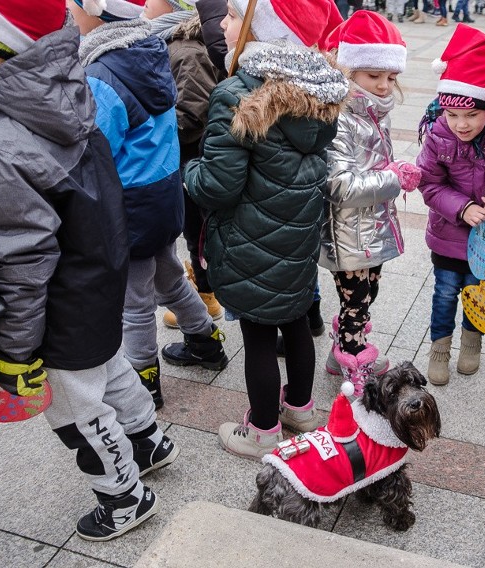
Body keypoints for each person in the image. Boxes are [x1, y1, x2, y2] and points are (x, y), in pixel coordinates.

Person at [0, 0, 177, 541]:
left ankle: (125, 497)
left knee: (76, 410)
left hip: (56, 307)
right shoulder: (68, 86)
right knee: (110, 368)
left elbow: (19, 255)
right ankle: (149, 440)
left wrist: (15, 352)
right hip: (96, 272)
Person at [184, 0, 348, 459]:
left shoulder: (238, 92)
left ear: (264, 32)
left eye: (235, 15)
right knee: (295, 319)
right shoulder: (318, 88)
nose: (222, 21)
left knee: (257, 333)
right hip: (296, 236)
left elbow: (218, 185)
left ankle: (262, 431)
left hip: (249, 237)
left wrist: (190, 169)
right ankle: (300, 408)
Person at [67, 0, 228, 411]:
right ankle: (206, 341)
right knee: (170, 277)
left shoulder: (101, 72)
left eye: (74, 5)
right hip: (162, 194)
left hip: (130, 203)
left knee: (134, 301)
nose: (69, 11)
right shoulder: (149, 49)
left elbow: (95, 149)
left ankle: (144, 380)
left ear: (98, 10)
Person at [319, 11, 420, 394]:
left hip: (369, 226)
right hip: (349, 232)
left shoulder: (373, 112)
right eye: (373, 76)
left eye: (390, 78)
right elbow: (339, 184)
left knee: (365, 296)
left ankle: (341, 351)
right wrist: (394, 178)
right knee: (357, 303)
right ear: (350, 71)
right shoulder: (344, 116)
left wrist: (392, 171)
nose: (383, 85)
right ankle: (353, 369)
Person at [416, 25, 485, 386]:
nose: (461, 124)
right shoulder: (438, 135)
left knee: (478, 292)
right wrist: (460, 208)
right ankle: (439, 348)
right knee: (444, 293)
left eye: (471, 115)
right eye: (453, 115)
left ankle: (471, 342)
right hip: (447, 232)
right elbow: (429, 183)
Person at [144, 0, 227, 332]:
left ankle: (207, 295)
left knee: (196, 229)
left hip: (192, 155)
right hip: (188, 154)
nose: (145, 5)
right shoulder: (173, 41)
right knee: (194, 228)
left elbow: (192, 112)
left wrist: (157, 131)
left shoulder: (187, 49)